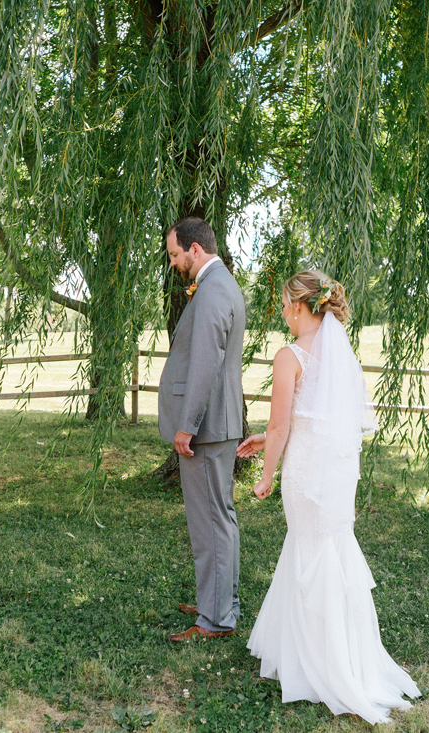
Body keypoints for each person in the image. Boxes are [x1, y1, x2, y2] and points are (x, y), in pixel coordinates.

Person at [236, 270, 420, 724]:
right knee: (330, 552)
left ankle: (314, 663)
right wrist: (266, 438)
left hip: (305, 473)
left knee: (307, 551)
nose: (281, 311)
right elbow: (316, 418)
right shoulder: (343, 355)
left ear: (300, 306)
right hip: (335, 476)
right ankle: (343, 656)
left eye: (283, 303)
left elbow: (283, 425)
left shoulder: (288, 356)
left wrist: (267, 474)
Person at [158, 217, 246, 642]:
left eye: (175, 254)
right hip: (217, 423)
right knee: (219, 518)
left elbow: (205, 363)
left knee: (210, 521)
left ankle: (214, 619)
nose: (174, 264)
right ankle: (219, 603)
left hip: (206, 427)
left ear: (195, 250)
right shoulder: (221, 284)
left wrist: (186, 426)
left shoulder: (212, 288)